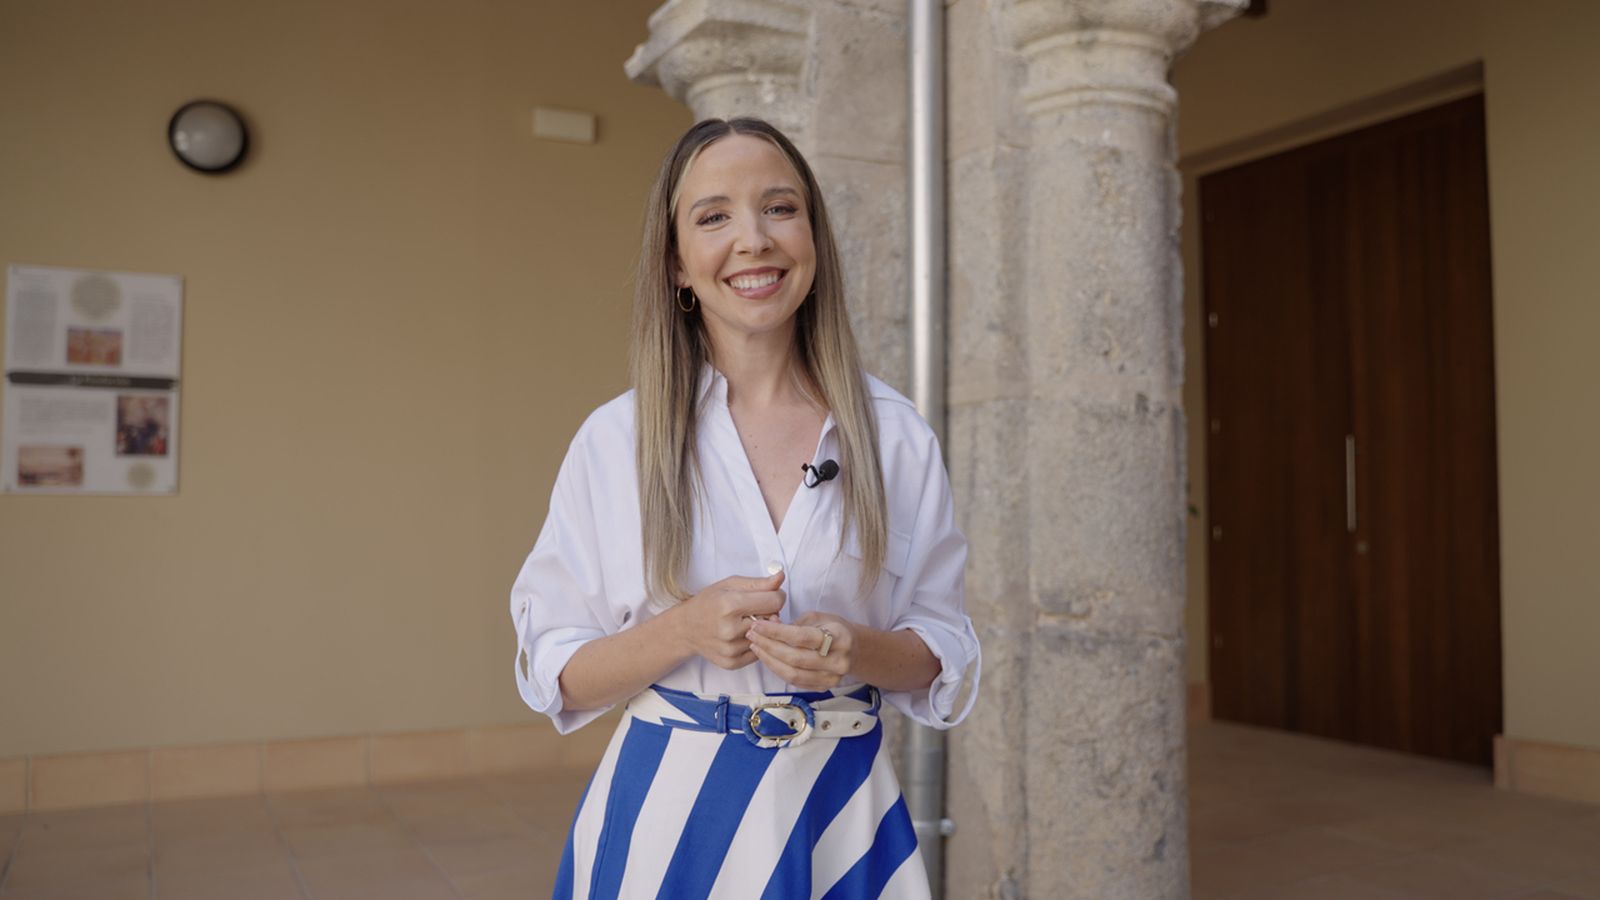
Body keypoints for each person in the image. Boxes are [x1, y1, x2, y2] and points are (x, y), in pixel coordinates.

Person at [510, 117, 980, 900]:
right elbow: (557, 673)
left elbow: (944, 650)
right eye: (713, 216)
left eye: (780, 208)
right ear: (676, 264)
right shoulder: (615, 441)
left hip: (841, 814)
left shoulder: (895, 436)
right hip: (669, 824)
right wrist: (681, 632)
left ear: (813, 240)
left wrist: (856, 650)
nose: (753, 240)